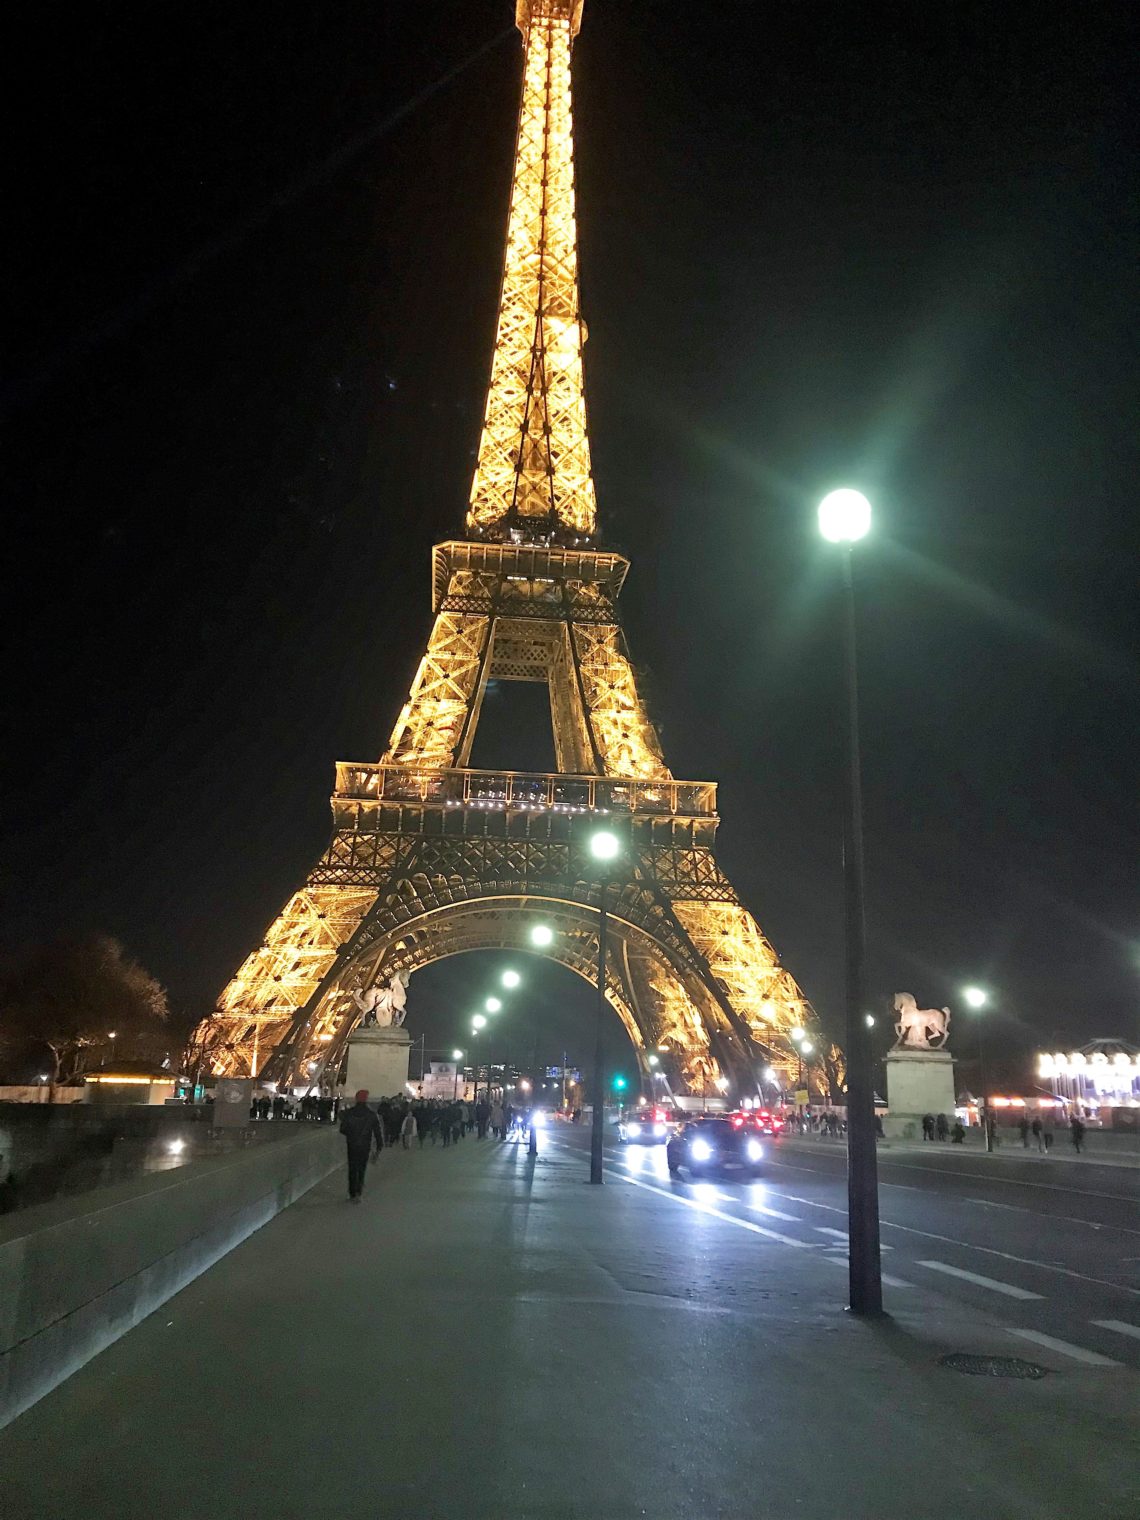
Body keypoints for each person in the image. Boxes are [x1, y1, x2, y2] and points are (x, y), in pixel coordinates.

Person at [339, 1090, 383, 1203]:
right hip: (365, 1145)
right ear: (366, 1099)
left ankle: (352, 1192)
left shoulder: (349, 1113)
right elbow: (377, 1132)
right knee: (361, 1169)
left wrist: (352, 1135)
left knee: (352, 1169)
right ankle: (359, 1193)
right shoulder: (371, 1114)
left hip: (352, 1145)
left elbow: (342, 1129)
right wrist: (379, 1147)